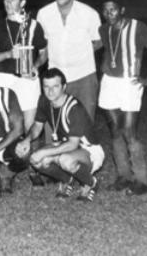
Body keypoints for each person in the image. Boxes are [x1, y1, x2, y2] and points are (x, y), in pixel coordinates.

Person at [15, 68, 105, 202]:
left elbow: (73, 144)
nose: (50, 91)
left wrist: (45, 153)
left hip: (89, 151)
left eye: (55, 86)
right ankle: (67, 179)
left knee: (65, 160)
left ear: (64, 87)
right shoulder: (44, 100)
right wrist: (26, 140)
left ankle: (91, 182)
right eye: (46, 87)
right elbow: (38, 125)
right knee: (36, 160)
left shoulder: (74, 108)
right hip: (65, 146)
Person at [98, 0, 147, 195]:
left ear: (122, 10)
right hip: (109, 82)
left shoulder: (138, 27)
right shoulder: (104, 30)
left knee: (130, 133)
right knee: (115, 132)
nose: (109, 13)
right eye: (105, 10)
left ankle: (141, 181)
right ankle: (124, 176)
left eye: (113, 9)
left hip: (129, 84)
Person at [37, 0, 102, 121]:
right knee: (57, 123)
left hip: (83, 76)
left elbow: (98, 41)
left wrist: (79, 54)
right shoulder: (44, 14)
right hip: (55, 78)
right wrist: (36, 65)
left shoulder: (89, 13)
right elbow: (45, 46)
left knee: (84, 123)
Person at [0, 0, 47, 132]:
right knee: (9, 127)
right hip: (5, 79)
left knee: (31, 127)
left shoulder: (33, 25)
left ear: (22, 2)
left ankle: (31, 153)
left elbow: (44, 53)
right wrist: (8, 54)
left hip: (27, 80)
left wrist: (36, 66)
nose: (8, 3)